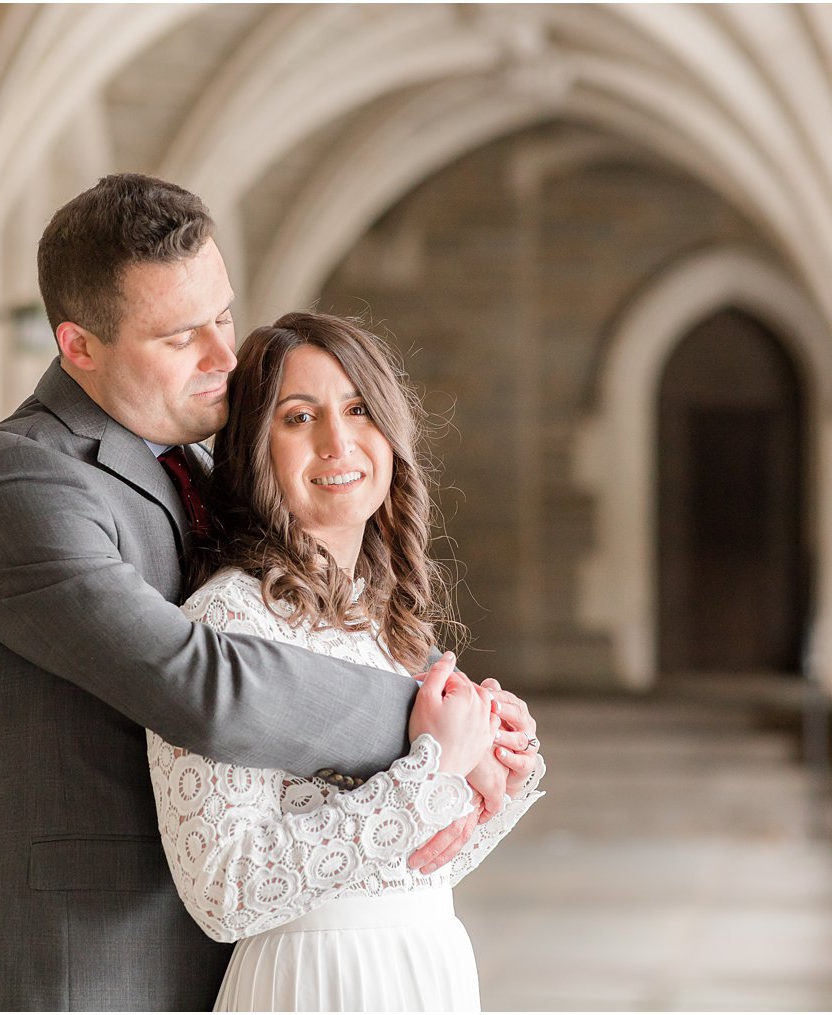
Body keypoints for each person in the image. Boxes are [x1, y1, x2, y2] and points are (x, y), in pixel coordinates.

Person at [0, 174, 540, 1011]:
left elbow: (318, 618)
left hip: (247, 967)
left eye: (223, 315)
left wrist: (477, 726)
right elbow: (202, 683)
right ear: (79, 346)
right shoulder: (23, 482)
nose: (223, 356)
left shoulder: (207, 470)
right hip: (79, 972)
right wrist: (425, 724)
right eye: (180, 337)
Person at [149, 311, 545, 1011]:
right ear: (253, 449)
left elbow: (411, 867)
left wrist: (494, 774)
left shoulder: (387, 617)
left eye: (359, 409)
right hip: (315, 980)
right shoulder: (227, 622)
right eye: (299, 418)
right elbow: (223, 889)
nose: (338, 441)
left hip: (427, 964)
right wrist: (436, 767)